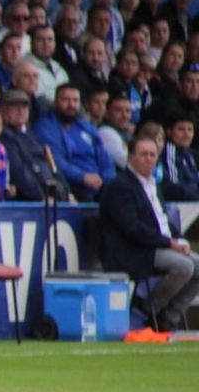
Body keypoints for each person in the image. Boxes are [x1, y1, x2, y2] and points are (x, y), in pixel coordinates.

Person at [100, 135, 199, 331]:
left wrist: (179, 239)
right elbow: (133, 228)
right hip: (135, 250)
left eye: (152, 155)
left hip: (158, 245)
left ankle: (169, 317)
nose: (149, 159)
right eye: (143, 154)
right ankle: (146, 308)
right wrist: (169, 243)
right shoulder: (121, 186)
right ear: (131, 158)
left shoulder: (153, 185)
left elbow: (163, 220)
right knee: (184, 267)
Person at [35, 83, 115, 202]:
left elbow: (105, 159)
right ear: (55, 102)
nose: (71, 105)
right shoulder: (45, 126)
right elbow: (55, 161)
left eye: (75, 100)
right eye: (66, 100)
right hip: (71, 184)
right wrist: (83, 177)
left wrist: (106, 179)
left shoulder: (87, 127)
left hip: (98, 184)